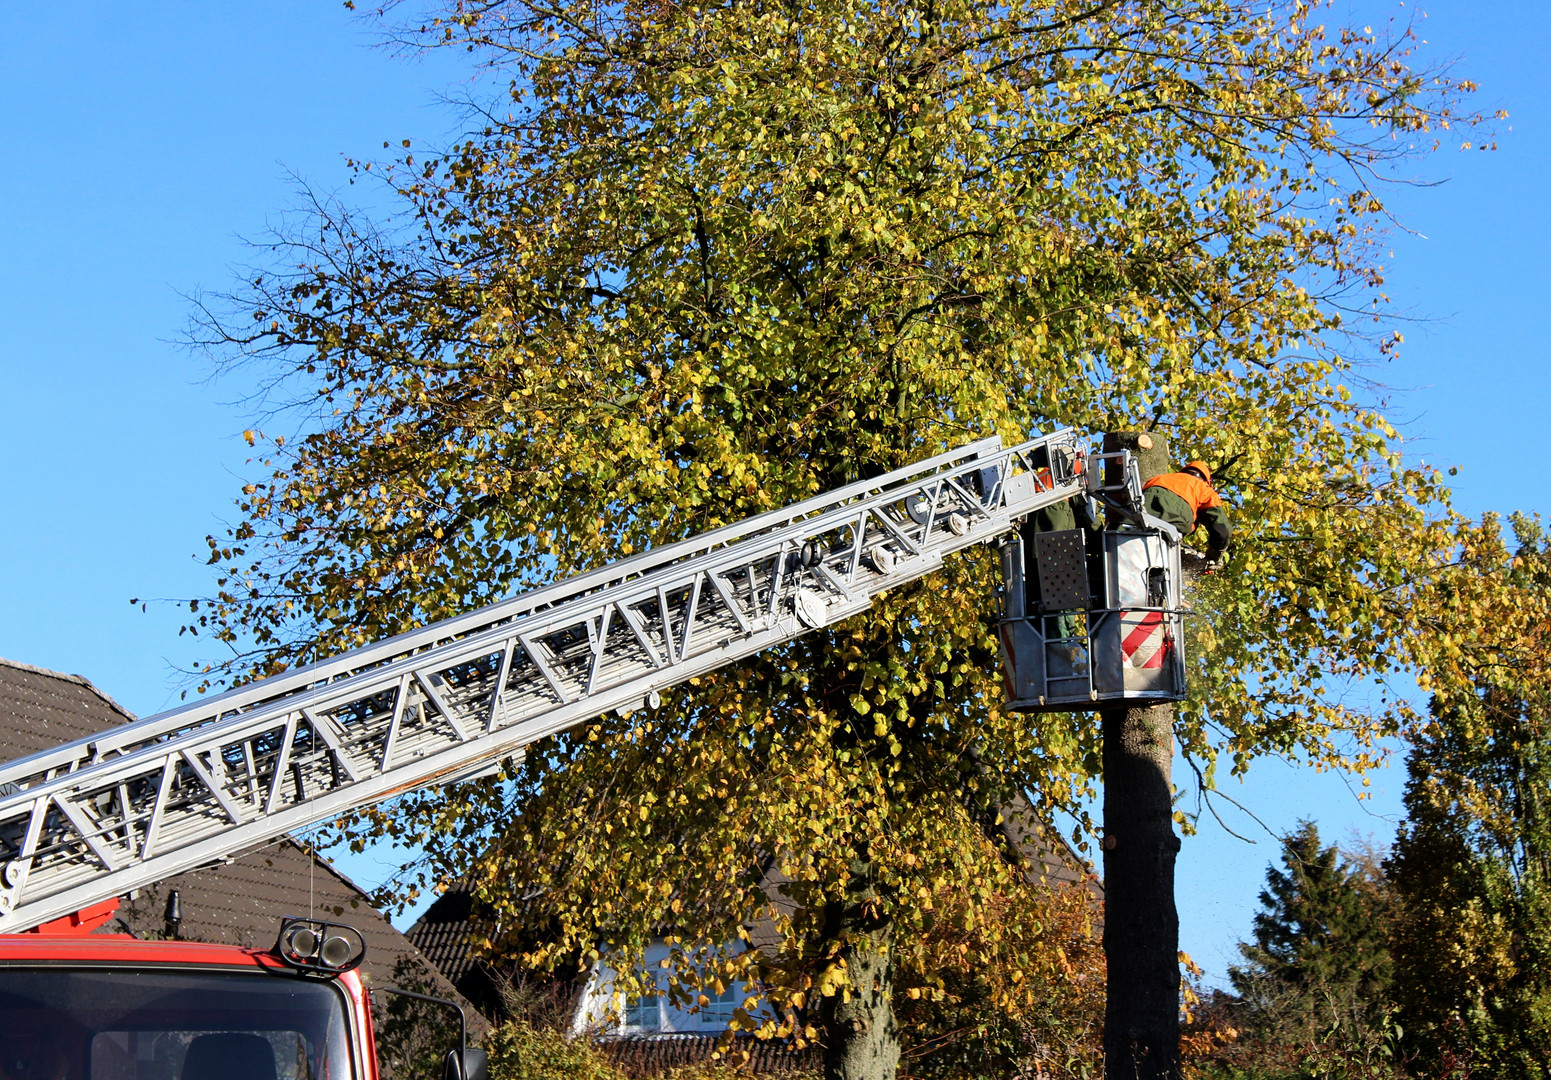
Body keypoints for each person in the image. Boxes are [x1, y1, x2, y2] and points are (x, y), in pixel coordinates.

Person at [1142, 459, 1232, 565]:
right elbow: (1222, 531)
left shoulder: (1158, 479)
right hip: (1167, 533)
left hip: (1133, 525)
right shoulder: (1204, 488)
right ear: (1206, 481)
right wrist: (1213, 558)